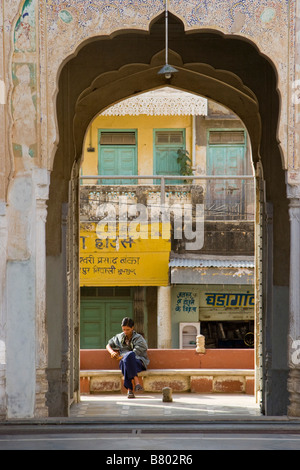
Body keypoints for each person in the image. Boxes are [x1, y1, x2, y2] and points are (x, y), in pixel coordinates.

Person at [106, 317, 149, 398]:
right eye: (124, 329)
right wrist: (112, 352)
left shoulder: (139, 338)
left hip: (138, 362)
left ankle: (129, 389)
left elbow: (136, 352)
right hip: (124, 362)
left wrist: (123, 356)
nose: (125, 332)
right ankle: (137, 383)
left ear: (132, 328)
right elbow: (108, 345)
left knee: (130, 355)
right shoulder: (119, 337)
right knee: (125, 362)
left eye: (128, 329)